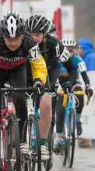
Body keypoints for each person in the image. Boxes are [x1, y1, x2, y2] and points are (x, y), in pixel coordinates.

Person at [0, 12, 47, 171]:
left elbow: (38, 65)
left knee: (20, 99)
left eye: (17, 39)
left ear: (23, 36)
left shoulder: (29, 43)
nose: (14, 43)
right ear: (3, 36)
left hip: (18, 70)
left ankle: (22, 142)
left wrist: (39, 80)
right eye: (9, 39)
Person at [25, 14, 67, 161]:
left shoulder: (52, 43)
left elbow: (56, 66)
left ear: (44, 34)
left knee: (46, 104)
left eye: (37, 35)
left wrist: (54, 83)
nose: (33, 38)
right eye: (30, 35)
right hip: (27, 75)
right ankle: (20, 140)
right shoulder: (22, 42)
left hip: (47, 74)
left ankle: (43, 143)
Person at [52, 37, 94, 151]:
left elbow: (84, 76)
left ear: (75, 50)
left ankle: (77, 120)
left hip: (74, 83)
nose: (69, 53)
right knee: (60, 108)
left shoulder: (78, 59)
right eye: (67, 50)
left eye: (71, 50)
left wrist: (88, 86)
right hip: (60, 84)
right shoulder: (57, 59)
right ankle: (59, 137)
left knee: (80, 93)